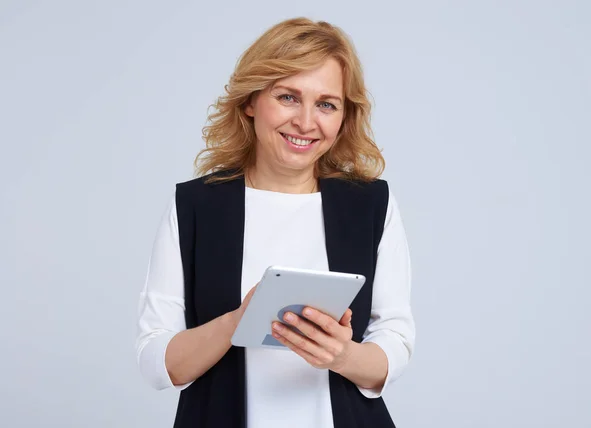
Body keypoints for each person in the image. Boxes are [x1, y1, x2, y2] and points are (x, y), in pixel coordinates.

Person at [135, 17, 415, 428]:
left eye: (326, 104)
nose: (305, 121)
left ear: (343, 116)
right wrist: (239, 320)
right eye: (287, 97)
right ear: (251, 101)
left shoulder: (371, 205)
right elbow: (156, 361)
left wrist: (343, 355)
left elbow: (395, 340)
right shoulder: (194, 205)